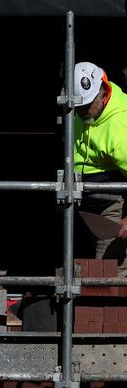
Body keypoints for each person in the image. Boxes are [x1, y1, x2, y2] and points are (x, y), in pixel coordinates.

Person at [73, 61, 127, 277]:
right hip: (83, 204)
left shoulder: (120, 128)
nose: (80, 113)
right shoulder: (77, 110)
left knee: (110, 273)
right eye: (77, 108)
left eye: (86, 107)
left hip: (111, 207)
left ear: (102, 95)